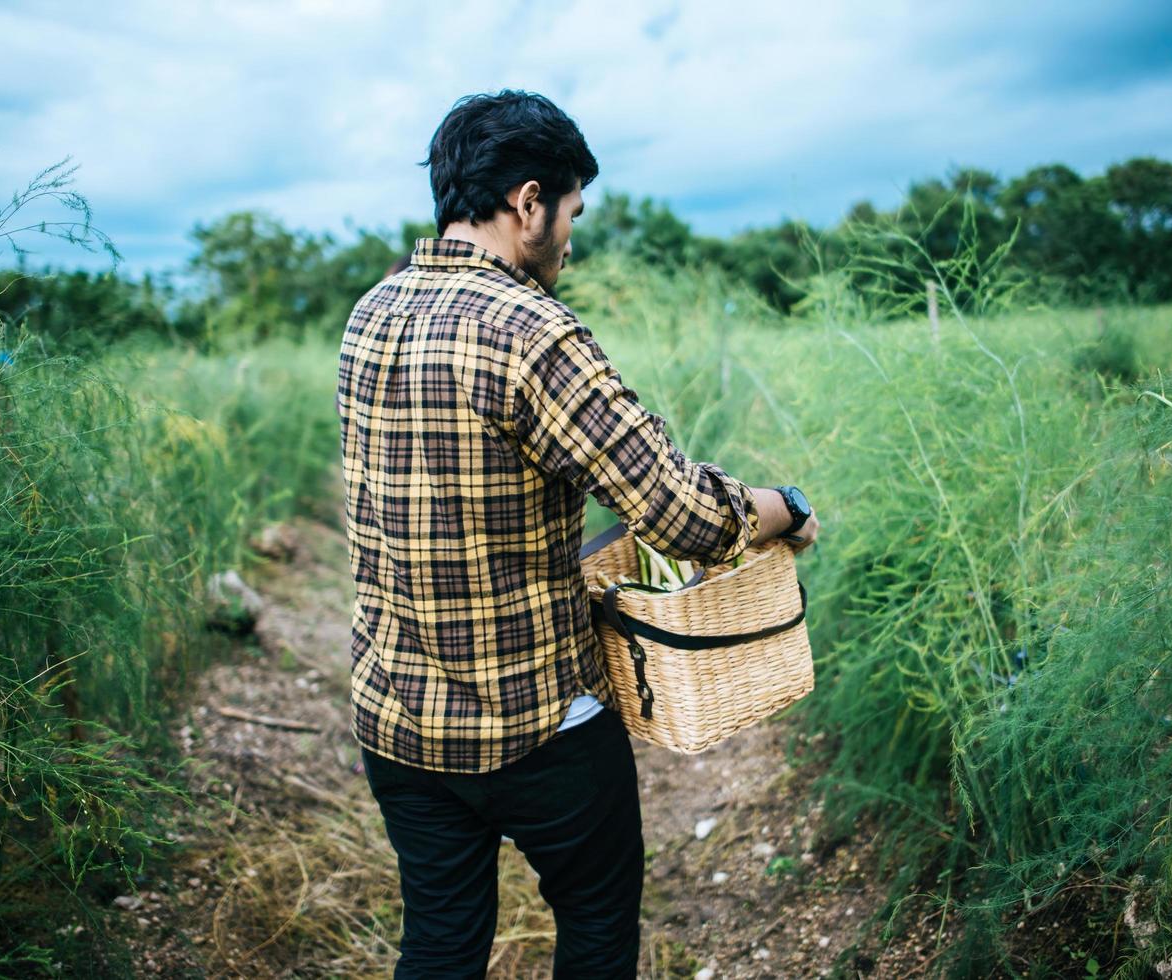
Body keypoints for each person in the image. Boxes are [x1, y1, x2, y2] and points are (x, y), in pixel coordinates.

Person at [336, 89, 821, 979]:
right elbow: (679, 512)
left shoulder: (369, 314)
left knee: (439, 945)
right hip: (535, 724)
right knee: (596, 925)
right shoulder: (532, 331)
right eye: (571, 214)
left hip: (397, 720)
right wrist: (782, 505)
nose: (570, 238)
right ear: (528, 203)